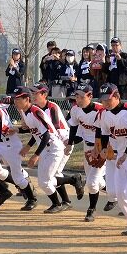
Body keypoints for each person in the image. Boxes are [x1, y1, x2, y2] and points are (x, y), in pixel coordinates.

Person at [97, 83, 127, 235]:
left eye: (108, 99)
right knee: (120, 194)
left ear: (117, 96)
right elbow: (104, 133)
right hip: (120, 157)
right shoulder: (105, 114)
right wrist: (104, 149)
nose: (105, 103)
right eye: (103, 100)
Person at [30, 83, 84, 211]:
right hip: (53, 144)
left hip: (63, 143)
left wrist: (66, 144)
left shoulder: (51, 107)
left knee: (52, 175)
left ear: (44, 95)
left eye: (36, 93)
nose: (33, 95)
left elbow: (54, 129)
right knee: (55, 174)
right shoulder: (35, 110)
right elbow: (40, 132)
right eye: (32, 93)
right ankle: (67, 198)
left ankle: (73, 182)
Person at [13, 86, 67, 213]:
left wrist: (35, 155)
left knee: (45, 182)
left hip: (54, 148)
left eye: (19, 99)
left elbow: (47, 135)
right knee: (44, 181)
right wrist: (17, 130)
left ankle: (57, 204)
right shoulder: (26, 112)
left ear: (27, 99)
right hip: (46, 149)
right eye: (15, 99)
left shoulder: (35, 111)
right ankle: (72, 180)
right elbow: (34, 131)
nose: (15, 102)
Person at [66, 83, 107, 222]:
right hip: (86, 148)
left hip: (102, 148)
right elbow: (73, 126)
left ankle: (91, 209)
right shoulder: (76, 109)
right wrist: (70, 143)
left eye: (81, 96)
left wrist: (100, 149)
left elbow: (105, 132)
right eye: (76, 96)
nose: (77, 99)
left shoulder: (100, 110)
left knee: (92, 182)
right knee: (95, 181)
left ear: (90, 96)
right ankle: (114, 194)